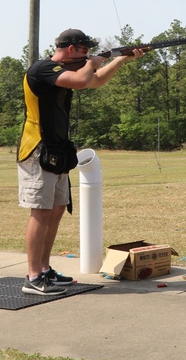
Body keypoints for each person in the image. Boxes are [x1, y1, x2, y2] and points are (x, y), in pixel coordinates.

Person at [16, 29, 143, 295]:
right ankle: (33, 276)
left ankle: (44, 270)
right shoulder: (43, 69)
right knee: (40, 211)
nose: (88, 55)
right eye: (84, 51)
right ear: (72, 49)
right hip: (38, 148)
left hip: (57, 150)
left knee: (57, 208)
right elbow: (81, 79)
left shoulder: (67, 71)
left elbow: (94, 81)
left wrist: (120, 59)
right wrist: (91, 63)